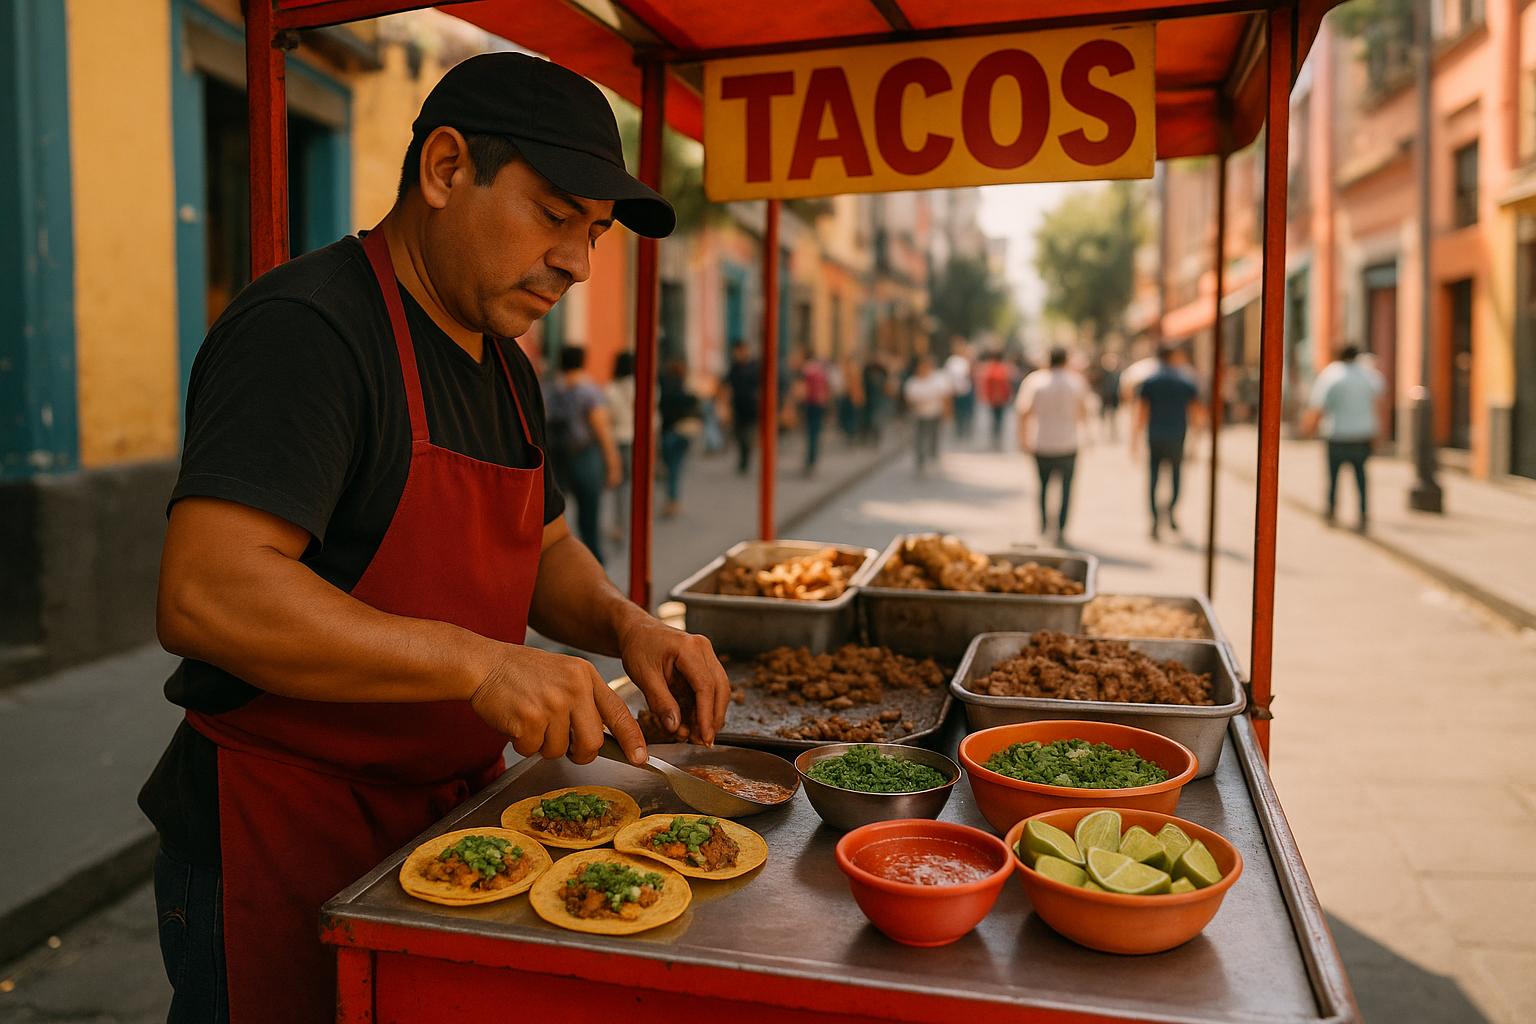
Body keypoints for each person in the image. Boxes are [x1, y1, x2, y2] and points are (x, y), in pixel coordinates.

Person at [138, 53, 730, 1024]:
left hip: (447, 824)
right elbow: (208, 591)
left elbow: (538, 549)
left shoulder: (504, 363)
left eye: (593, 233)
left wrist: (627, 624)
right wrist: (477, 664)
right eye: (555, 215)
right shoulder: (309, 331)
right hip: (279, 830)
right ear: (447, 168)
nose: (578, 265)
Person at [545, 344, 622, 564]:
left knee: (555, 517)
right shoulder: (589, 392)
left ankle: (561, 562)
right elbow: (602, 429)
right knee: (589, 518)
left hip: (557, 458)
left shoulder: (553, 391)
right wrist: (613, 464)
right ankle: (593, 565)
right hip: (585, 457)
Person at [1303, 344, 1385, 531]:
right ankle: (1363, 515)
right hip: (1362, 434)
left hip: (1337, 434)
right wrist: (1378, 431)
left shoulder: (1331, 375)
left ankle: (1331, 512)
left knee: (1333, 477)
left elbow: (1318, 405)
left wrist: (1309, 429)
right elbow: (1379, 400)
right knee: (1361, 476)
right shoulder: (1368, 375)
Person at [1016, 347, 1091, 545]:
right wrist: (1087, 435)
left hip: (1042, 442)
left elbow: (1023, 412)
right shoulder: (1076, 382)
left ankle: (1043, 525)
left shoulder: (1034, 381)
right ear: (1066, 360)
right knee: (1066, 488)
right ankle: (1061, 528)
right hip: (1068, 443)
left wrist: (1023, 440)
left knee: (1042, 486)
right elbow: (1084, 411)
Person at [1132, 344, 1205, 540]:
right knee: (1176, 478)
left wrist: (1134, 440)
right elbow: (1197, 413)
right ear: (1174, 356)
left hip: (1154, 436)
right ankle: (1170, 511)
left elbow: (1141, 413)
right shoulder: (1185, 381)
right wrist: (1196, 441)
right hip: (1177, 436)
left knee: (1154, 479)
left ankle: (1155, 519)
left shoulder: (1150, 381)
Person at [658, 361, 702, 518]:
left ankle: (671, 501)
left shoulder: (663, 389)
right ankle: (673, 500)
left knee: (670, 469)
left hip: (668, 432)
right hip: (682, 432)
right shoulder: (684, 390)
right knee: (675, 469)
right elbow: (695, 402)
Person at [604, 350, 635, 545]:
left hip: (619, 439)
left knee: (620, 485)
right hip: (636, 439)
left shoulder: (611, 389)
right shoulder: (642, 385)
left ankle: (619, 524)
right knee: (636, 483)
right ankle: (634, 522)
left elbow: (608, 418)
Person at [904, 353, 952, 476]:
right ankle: (920, 461)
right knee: (918, 438)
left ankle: (933, 456)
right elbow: (908, 400)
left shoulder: (938, 379)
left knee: (933, 436)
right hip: (918, 415)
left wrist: (947, 413)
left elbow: (945, 397)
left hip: (934, 414)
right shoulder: (913, 382)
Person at [722, 341, 759, 475]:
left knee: (748, 436)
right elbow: (726, 385)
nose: (739, 354)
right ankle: (742, 459)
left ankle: (745, 460)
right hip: (737, 407)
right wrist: (725, 406)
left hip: (752, 407)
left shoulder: (754, 367)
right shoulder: (734, 367)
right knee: (738, 435)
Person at [798, 348, 831, 475]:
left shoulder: (807, 369)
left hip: (810, 403)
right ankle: (812, 459)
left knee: (811, 433)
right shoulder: (820, 368)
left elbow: (802, 389)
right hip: (820, 403)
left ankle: (810, 461)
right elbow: (826, 386)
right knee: (815, 433)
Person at [979, 350, 1017, 450]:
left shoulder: (990, 368)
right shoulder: (1004, 369)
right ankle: (998, 439)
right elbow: (1008, 384)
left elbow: (986, 384)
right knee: (999, 420)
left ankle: (995, 439)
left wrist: (985, 395)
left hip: (993, 399)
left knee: (994, 419)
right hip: (1002, 398)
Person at [944, 338, 976, 443]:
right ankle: (959, 430)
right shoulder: (951, 361)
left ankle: (965, 429)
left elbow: (970, 375)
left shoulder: (966, 361)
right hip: (956, 391)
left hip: (966, 390)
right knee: (958, 412)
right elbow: (948, 377)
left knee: (966, 412)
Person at [860, 353, 890, 445]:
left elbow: (886, 383)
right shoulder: (867, 370)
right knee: (868, 419)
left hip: (878, 399)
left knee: (876, 419)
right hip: (869, 399)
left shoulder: (882, 370)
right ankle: (867, 436)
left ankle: (875, 436)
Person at [1095, 352, 1123, 441]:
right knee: (1103, 416)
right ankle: (1103, 434)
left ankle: (1113, 434)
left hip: (1114, 398)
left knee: (1113, 417)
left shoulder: (1117, 373)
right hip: (1104, 397)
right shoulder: (1101, 373)